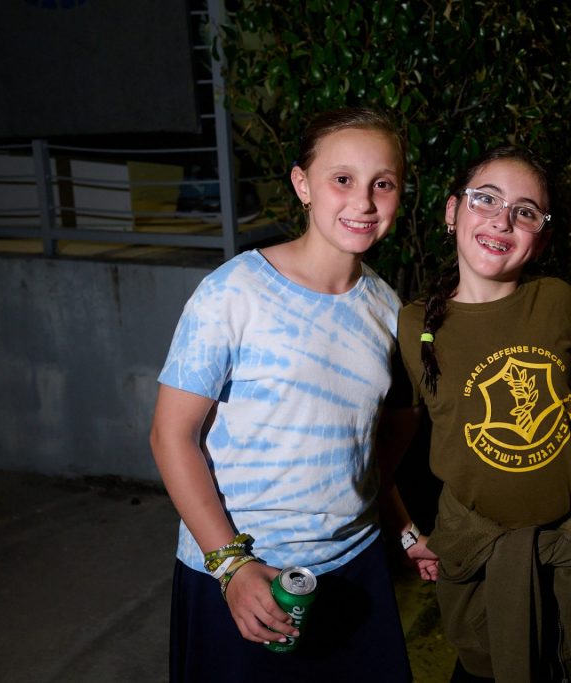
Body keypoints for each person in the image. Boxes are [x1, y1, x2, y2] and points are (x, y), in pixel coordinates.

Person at [149, 106, 412, 682]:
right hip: (244, 577)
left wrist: (403, 529)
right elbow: (171, 435)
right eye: (342, 179)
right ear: (302, 185)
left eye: (383, 184)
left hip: (354, 567)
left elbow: (377, 439)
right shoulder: (233, 292)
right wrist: (231, 567)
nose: (363, 201)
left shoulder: (387, 307)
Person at [384, 146, 571, 682]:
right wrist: (405, 532)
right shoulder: (414, 325)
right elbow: (384, 456)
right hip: (485, 569)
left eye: (525, 211)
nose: (502, 220)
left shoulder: (559, 300)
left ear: (541, 237)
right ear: (453, 212)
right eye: (486, 200)